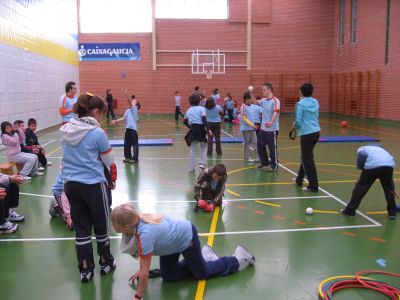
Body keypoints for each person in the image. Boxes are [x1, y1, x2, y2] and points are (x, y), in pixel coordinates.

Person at [111, 203, 255, 300]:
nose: (111, 225)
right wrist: (143, 271)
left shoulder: (144, 235)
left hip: (186, 238)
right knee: (168, 276)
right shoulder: (137, 222)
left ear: (127, 225)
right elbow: (144, 267)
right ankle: (202, 257)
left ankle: (238, 258)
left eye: (114, 223)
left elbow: (144, 269)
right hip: (171, 245)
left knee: (202, 273)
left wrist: (138, 296)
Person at [60, 93, 117, 283]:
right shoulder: (96, 133)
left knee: (82, 229)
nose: (101, 118)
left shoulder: (66, 129)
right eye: (101, 114)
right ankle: (105, 260)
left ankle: (85, 269)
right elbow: (109, 160)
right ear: (95, 111)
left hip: (71, 185)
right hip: (92, 185)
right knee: (101, 225)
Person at [340, 145, 397, 219]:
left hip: (372, 167)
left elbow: (361, 160)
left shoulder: (362, 149)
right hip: (389, 166)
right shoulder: (383, 151)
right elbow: (386, 164)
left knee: (360, 189)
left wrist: (361, 173)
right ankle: (392, 213)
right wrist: (392, 187)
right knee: (388, 190)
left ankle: (349, 211)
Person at [291, 83, 320, 192]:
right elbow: (315, 116)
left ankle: (313, 186)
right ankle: (299, 179)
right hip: (316, 132)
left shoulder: (300, 104)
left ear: (301, 92)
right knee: (305, 156)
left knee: (307, 159)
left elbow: (298, 121)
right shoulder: (315, 102)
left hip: (306, 134)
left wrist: (295, 127)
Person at [257, 83, 280, 172]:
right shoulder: (263, 100)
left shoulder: (275, 101)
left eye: (264, 90)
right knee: (260, 146)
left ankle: (274, 166)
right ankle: (265, 163)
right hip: (263, 129)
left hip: (272, 129)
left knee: (272, 148)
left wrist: (271, 122)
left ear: (269, 90)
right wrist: (251, 93)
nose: (262, 91)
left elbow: (276, 112)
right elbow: (255, 101)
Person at [183, 93, 210, 172]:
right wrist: (208, 130)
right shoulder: (201, 108)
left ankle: (191, 168)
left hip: (192, 130)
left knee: (192, 149)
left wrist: (190, 127)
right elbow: (204, 120)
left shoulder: (188, 110)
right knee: (204, 146)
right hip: (201, 129)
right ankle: (202, 163)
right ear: (199, 101)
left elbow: (184, 121)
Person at [114, 92, 140, 164]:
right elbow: (123, 118)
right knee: (126, 144)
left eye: (134, 102)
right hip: (127, 130)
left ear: (136, 106)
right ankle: (128, 158)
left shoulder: (134, 110)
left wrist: (126, 94)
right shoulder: (127, 110)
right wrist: (115, 120)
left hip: (133, 130)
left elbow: (129, 102)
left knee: (134, 145)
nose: (132, 101)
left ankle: (135, 159)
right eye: (133, 101)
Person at [240, 92, 260, 163]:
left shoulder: (253, 106)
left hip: (253, 128)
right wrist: (252, 125)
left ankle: (259, 157)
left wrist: (256, 124)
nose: (249, 100)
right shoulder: (243, 107)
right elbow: (244, 118)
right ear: (245, 99)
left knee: (255, 142)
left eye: (250, 99)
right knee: (247, 143)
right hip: (246, 128)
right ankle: (247, 157)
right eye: (247, 99)